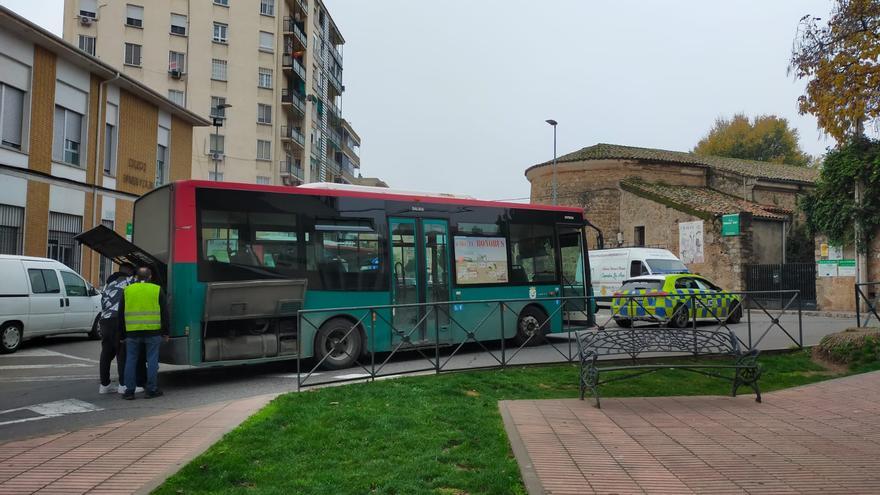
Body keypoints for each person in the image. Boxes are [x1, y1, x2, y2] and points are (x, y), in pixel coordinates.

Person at [119, 266, 169, 399]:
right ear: (150, 277)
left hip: (132, 333)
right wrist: (165, 332)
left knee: (131, 360)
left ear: (136, 277)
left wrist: (122, 334)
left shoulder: (127, 290)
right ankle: (151, 389)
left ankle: (129, 391)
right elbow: (165, 313)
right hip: (153, 332)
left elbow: (121, 314)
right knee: (152, 360)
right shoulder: (157, 289)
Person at [97, 263, 146, 394]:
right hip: (117, 320)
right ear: (129, 271)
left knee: (106, 353)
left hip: (104, 320)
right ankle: (123, 385)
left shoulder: (108, 284)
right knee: (121, 352)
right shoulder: (129, 281)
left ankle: (104, 385)